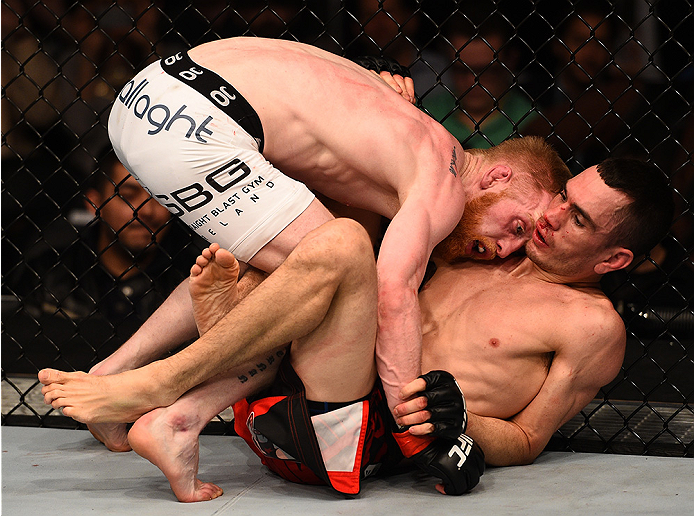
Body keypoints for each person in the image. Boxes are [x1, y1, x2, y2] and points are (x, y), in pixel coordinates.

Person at [39, 158, 674, 502]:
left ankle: (171, 378)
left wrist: (459, 423)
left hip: (354, 442)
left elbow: (530, 438)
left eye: (579, 219)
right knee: (315, 234)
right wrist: (394, 97)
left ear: (615, 259)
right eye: (563, 193)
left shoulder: (593, 327)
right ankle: (175, 384)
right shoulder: (484, 246)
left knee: (341, 244)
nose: (552, 214)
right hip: (290, 395)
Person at [104, 34, 569, 451]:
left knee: (291, 271)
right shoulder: (443, 184)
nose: (508, 248)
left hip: (149, 91)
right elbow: (393, 292)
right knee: (334, 290)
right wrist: (413, 429)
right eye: (518, 227)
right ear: (498, 176)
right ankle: (172, 409)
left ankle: (113, 376)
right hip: (199, 125)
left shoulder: (408, 126)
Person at [3, 152, 202, 372]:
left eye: (159, 197)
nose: (147, 210)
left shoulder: (195, 277)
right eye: (128, 195)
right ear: (94, 203)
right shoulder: (48, 274)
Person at [421, 13, 538, 148]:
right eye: (461, 69)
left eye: (486, 71)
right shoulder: (424, 115)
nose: (472, 81)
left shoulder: (533, 124)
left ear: (510, 62)